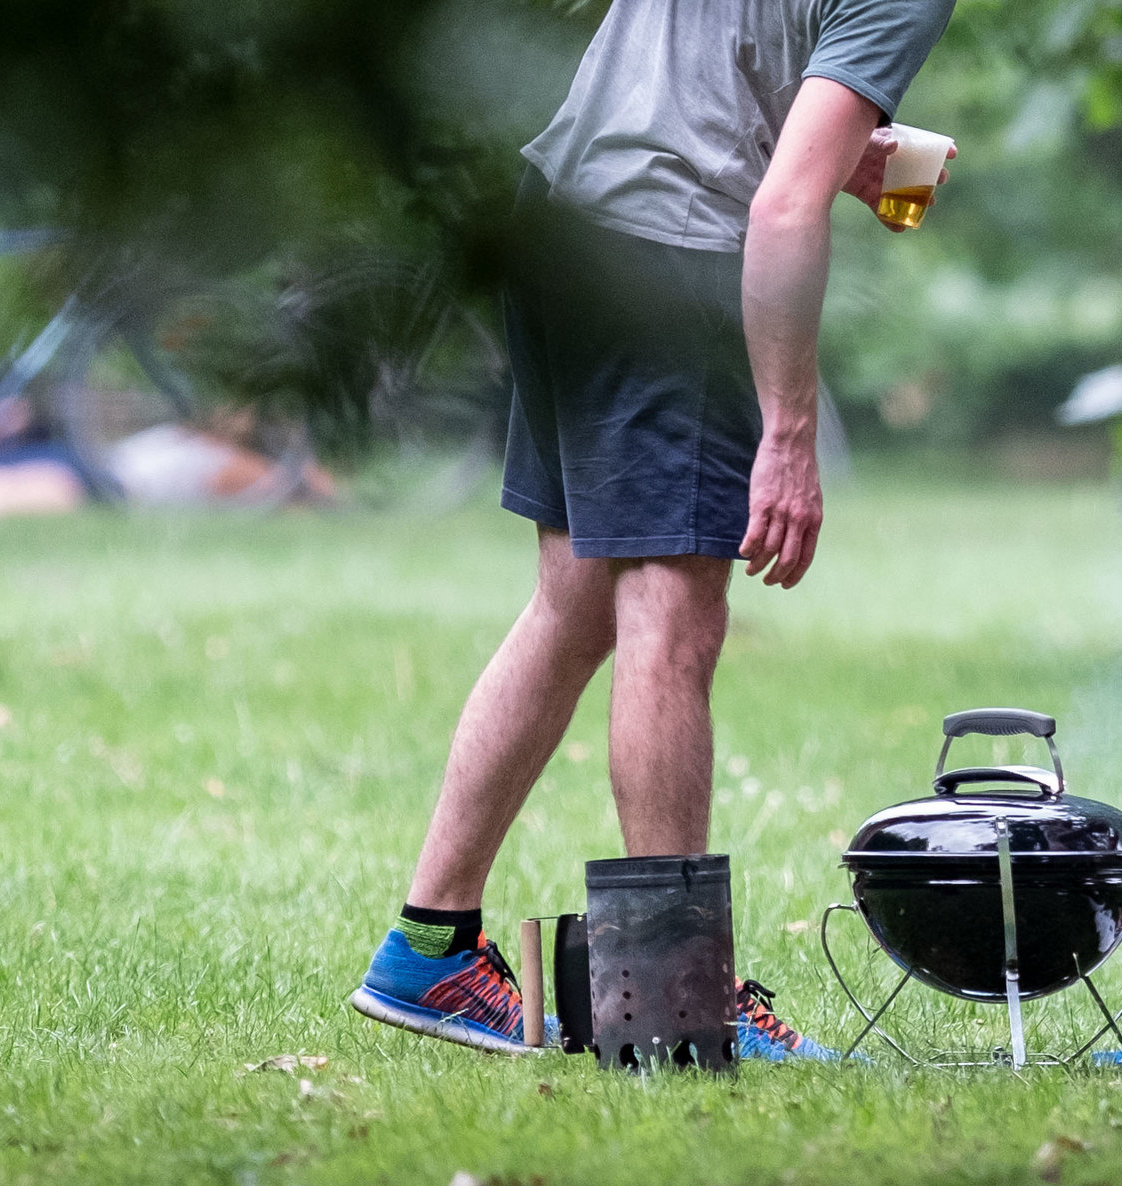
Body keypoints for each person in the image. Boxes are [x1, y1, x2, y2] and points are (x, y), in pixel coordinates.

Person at [348, 0, 955, 1057]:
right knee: (672, 618)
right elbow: (782, 211)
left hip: (557, 223)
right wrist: (789, 436)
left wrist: (815, 138)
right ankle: (679, 1005)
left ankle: (427, 950)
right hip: (668, 253)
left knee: (575, 603)